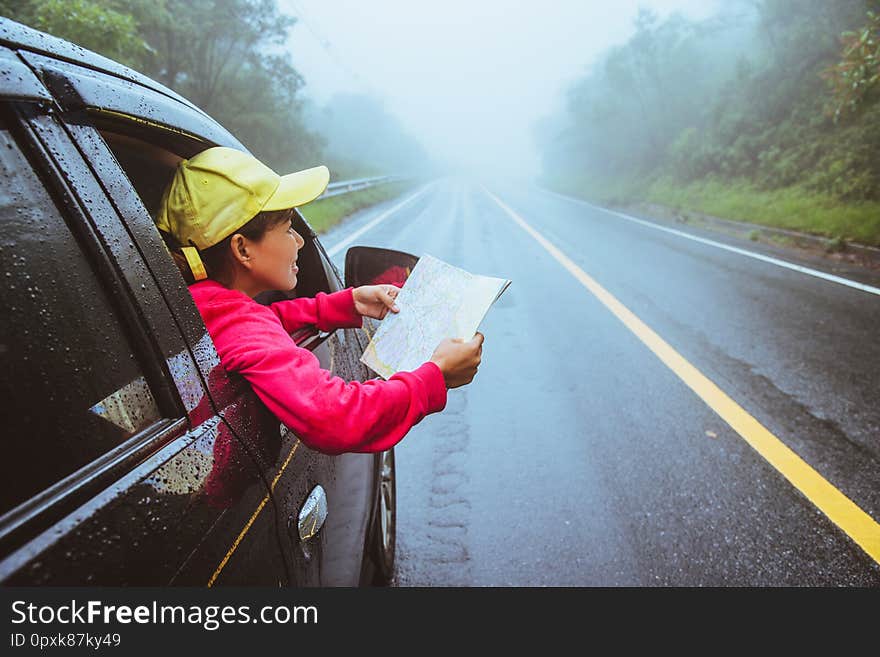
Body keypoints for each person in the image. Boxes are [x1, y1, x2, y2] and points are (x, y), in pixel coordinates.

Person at [156, 146, 483, 456]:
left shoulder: (199, 306)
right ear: (242, 249)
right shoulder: (239, 323)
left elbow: (256, 324)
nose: (299, 241)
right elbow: (335, 417)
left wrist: (344, 303)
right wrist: (435, 375)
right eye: (287, 230)